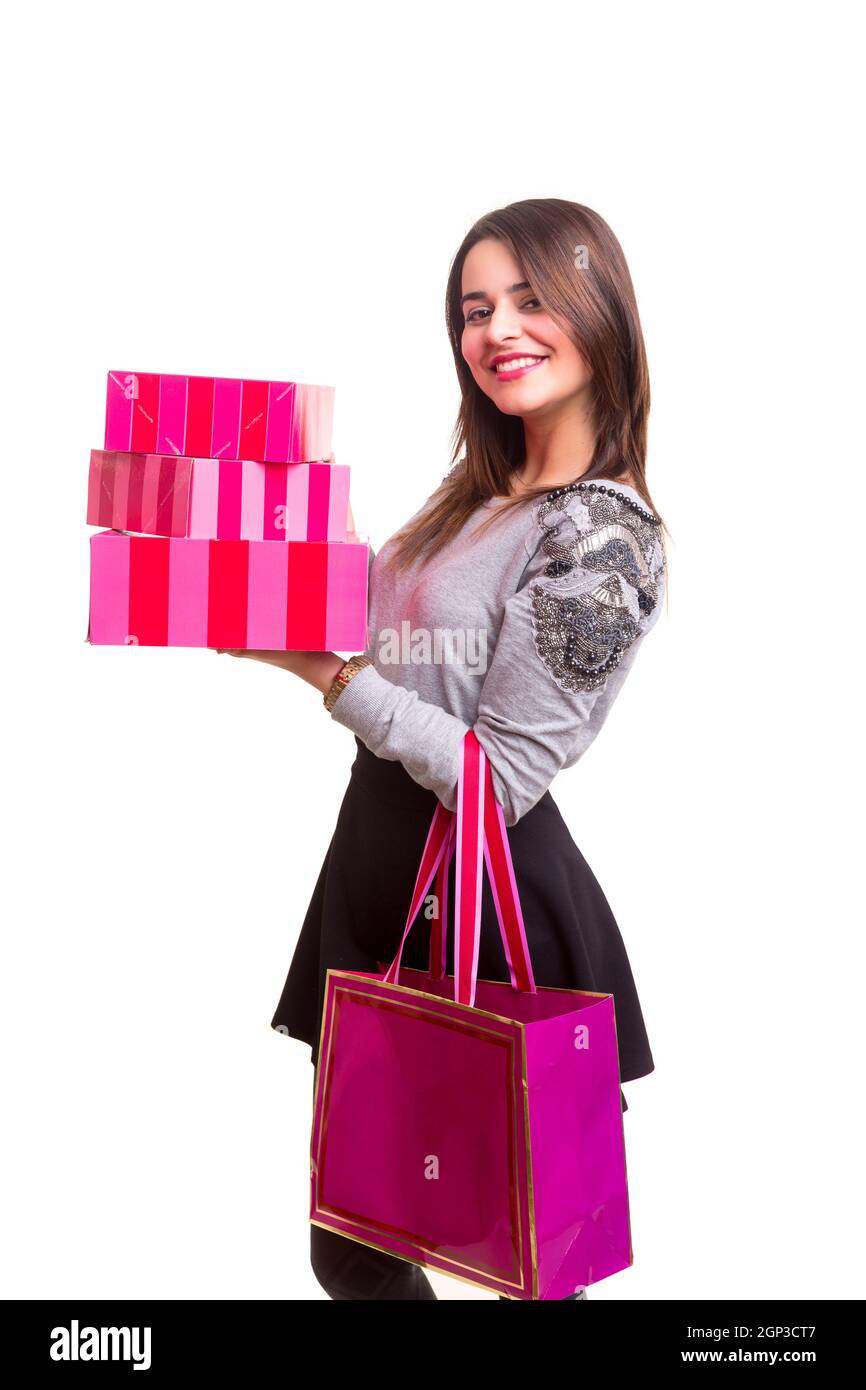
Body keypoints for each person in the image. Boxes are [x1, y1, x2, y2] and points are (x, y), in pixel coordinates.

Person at [219, 197, 669, 1300]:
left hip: (485, 893)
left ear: (597, 308)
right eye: (475, 309)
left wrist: (323, 675)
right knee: (357, 1236)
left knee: (521, 1244)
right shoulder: (470, 496)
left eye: (529, 297)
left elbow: (497, 773)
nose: (497, 329)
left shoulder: (602, 534)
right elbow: (390, 650)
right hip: (378, 877)